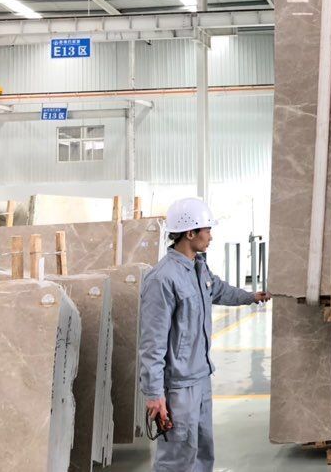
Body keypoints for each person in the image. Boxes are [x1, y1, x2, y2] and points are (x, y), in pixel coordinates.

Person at [139, 197, 271, 471]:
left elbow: (219, 291)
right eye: (207, 230)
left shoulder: (199, 267)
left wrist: (251, 296)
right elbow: (152, 343)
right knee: (176, 457)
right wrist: (154, 393)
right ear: (190, 233)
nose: (210, 236)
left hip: (200, 377)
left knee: (202, 451)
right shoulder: (162, 278)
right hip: (178, 386)